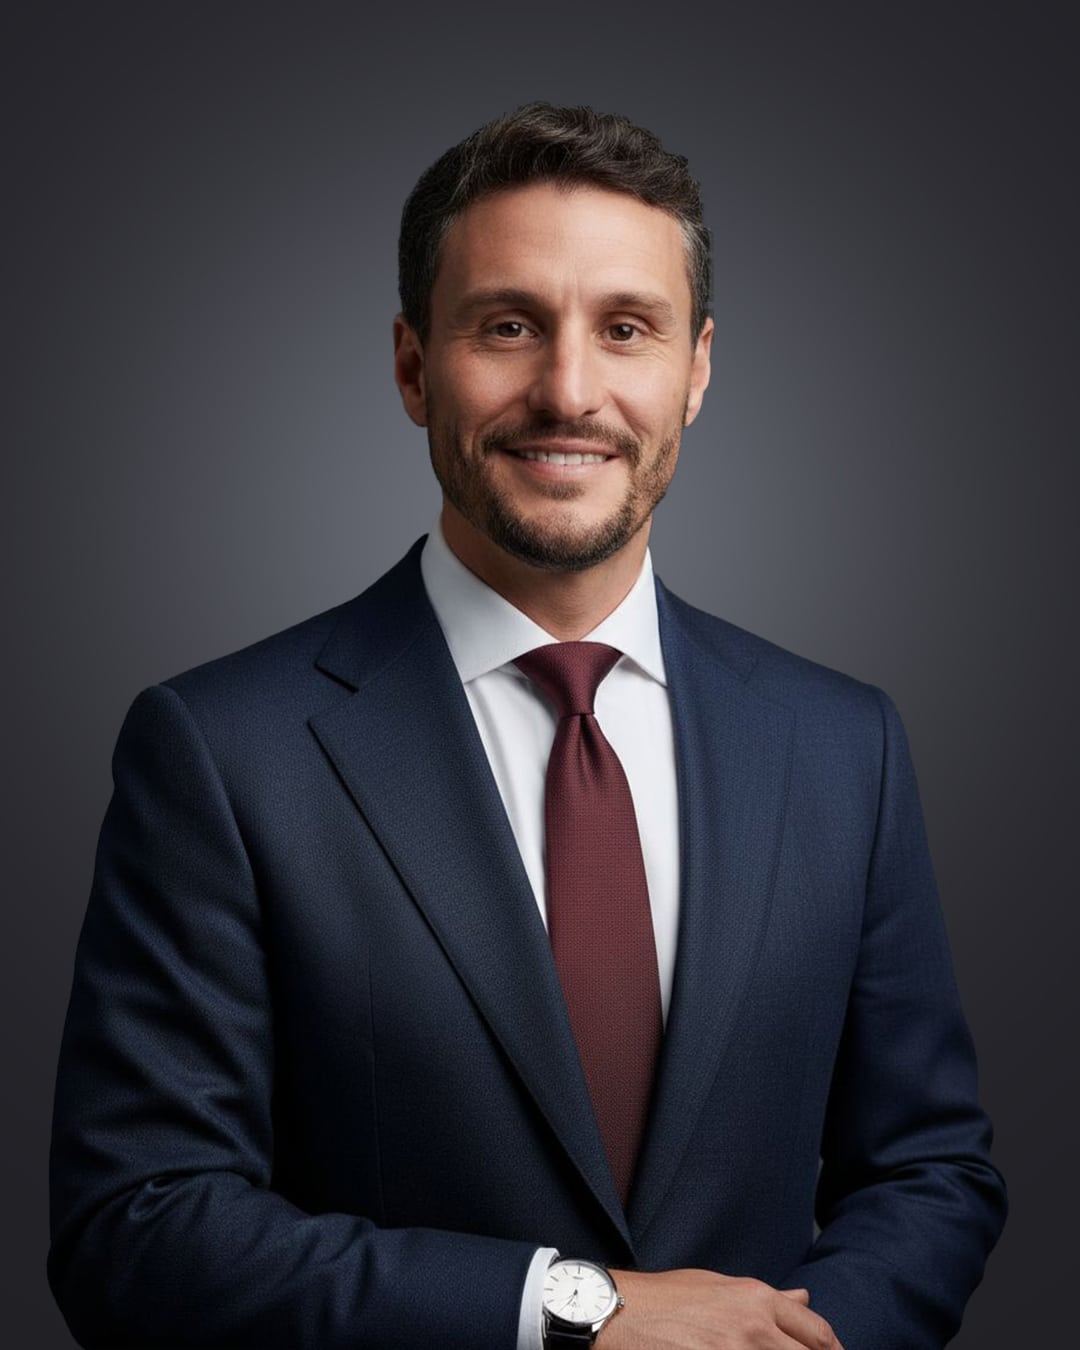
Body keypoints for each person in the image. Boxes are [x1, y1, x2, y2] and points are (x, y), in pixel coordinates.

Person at [49, 103, 1006, 1350]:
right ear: (411, 366)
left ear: (697, 370)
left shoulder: (843, 747)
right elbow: (139, 1223)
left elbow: (932, 1172)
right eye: (508, 326)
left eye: (626, 329)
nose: (569, 389)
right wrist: (578, 1312)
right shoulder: (223, 753)